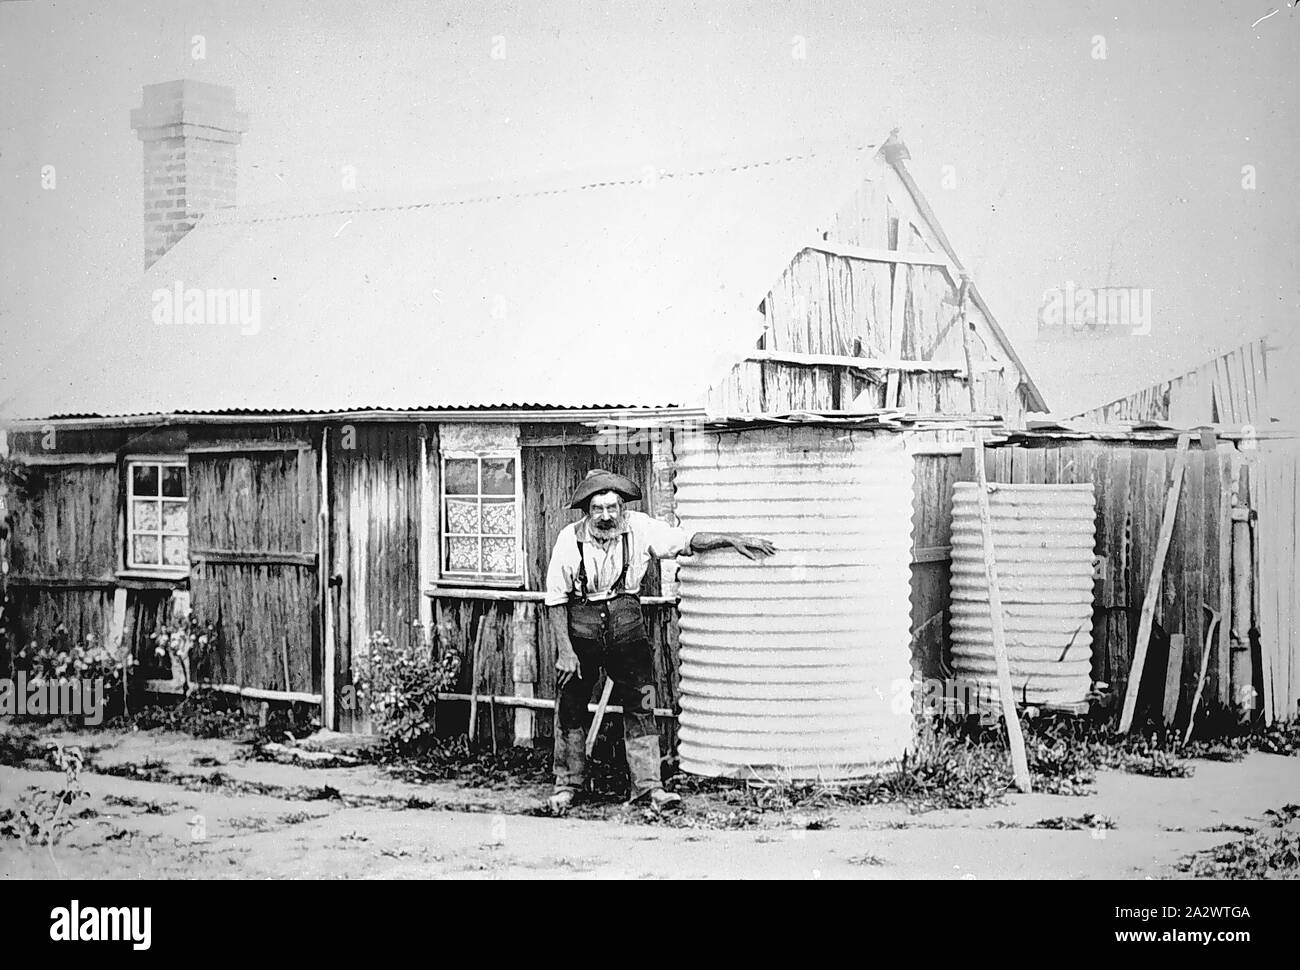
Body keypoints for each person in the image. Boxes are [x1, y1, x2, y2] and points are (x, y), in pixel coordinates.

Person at [544, 469, 776, 814]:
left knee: (644, 700)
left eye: (613, 507)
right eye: (598, 508)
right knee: (570, 706)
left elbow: (687, 539)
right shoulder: (569, 539)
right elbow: (556, 599)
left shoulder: (639, 527)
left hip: (628, 631)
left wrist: (730, 538)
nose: (606, 516)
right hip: (581, 633)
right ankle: (568, 785)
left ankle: (649, 786)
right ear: (586, 511)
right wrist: (565, 651)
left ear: (622, 508)